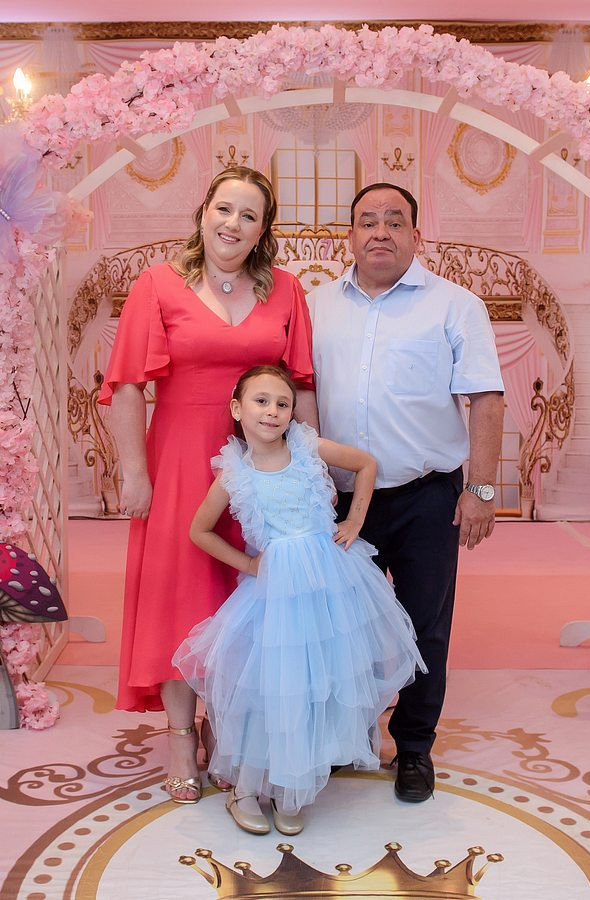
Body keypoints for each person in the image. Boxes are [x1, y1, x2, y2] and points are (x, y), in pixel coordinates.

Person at [97, 167, 317, 805]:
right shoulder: (157, 285)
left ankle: (228, 725)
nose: (233, 224)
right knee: (181, 595)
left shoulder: (286, 290)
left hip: (261, 464)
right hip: (180, 462)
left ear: (263, 230)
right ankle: (178, 738)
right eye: (224, 209)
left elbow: (302, 386)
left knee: (243, 595)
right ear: (203, 213)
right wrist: (135, 472)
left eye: (249, 215)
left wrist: (310, 476)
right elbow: (127, 386)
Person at [307, 183, 505, 804]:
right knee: (341, 625)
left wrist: (482, 489)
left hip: (428, 496)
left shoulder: (455, 305)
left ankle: (414, 746)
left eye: (395, 221)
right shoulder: (315, 306)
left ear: (417, 235)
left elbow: (486, 397)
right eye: (368, 221)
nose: (381, 232)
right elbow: (297, 391)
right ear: (349, 235)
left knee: (425, 625)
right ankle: (347, 735)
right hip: (341, 501)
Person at [172, 365, 426, 835]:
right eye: (261, 401)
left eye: (282, 403)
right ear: (237, 409)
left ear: (292, 412)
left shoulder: (308, 449)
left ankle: (293, 788)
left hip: (328, 584)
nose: (272, 411)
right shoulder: (235, 475)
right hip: (276, 595)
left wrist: (354, 521)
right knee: (273, 689)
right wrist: (249, 564)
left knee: (315, 686)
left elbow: (365, 465)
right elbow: (199, 531)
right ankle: (247, 789)